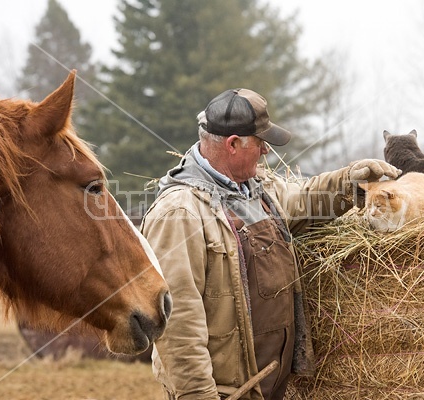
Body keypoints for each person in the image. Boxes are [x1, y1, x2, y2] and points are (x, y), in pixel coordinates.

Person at [140, 88, 400, 400]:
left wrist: (349, 180)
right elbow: (178, 325)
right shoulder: (180, 212)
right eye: (260, 142)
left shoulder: (256, 189)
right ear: (233, 144)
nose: (266, 151)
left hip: (269, 387)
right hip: (226, 394)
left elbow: (305, 201)